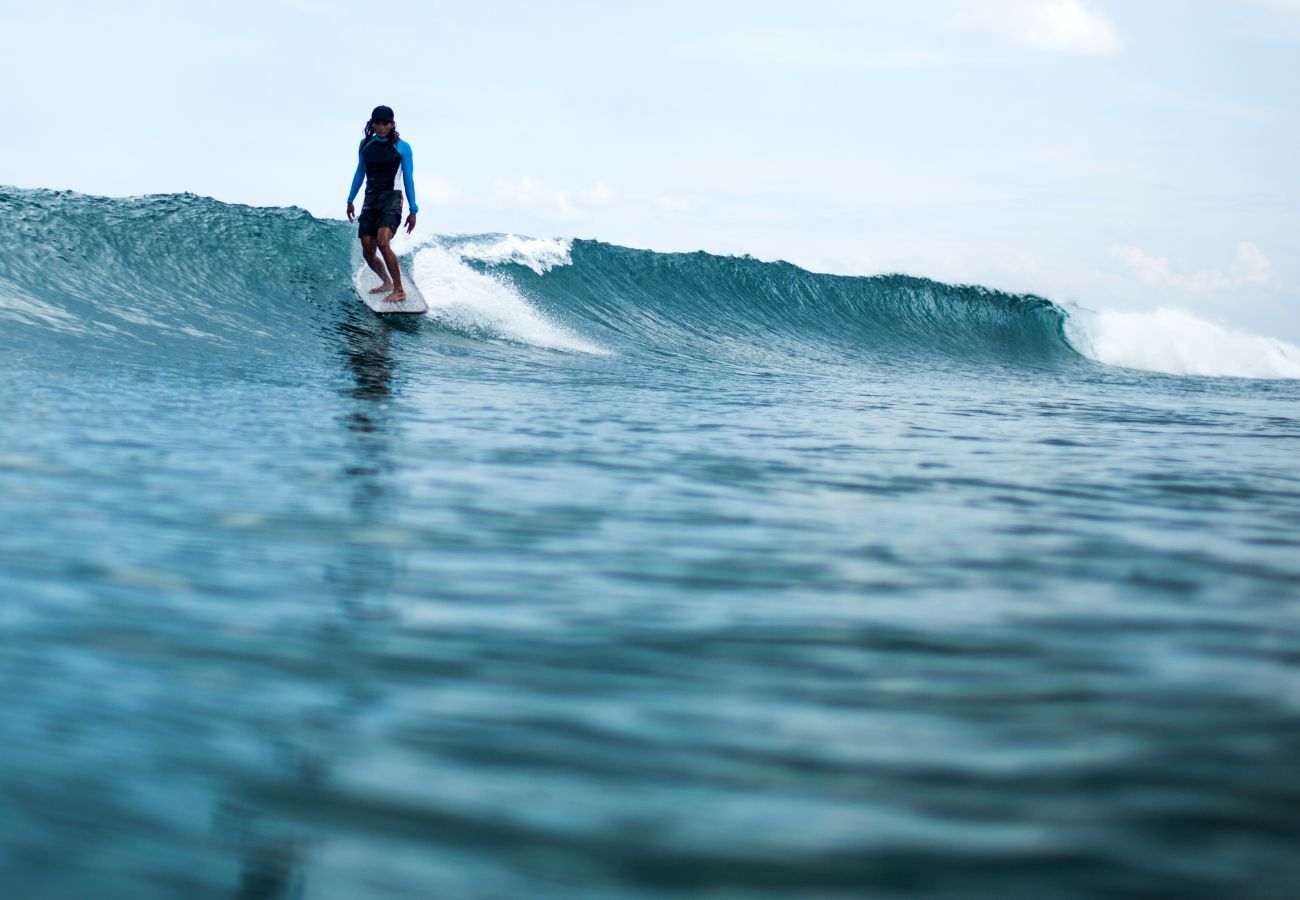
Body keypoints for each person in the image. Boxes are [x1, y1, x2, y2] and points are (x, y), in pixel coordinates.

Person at [347, 105, 418, 303]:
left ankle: (399, 290)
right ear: (372, 123)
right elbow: (360, 172)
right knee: (368, 251)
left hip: (392, 199)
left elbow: (408, 178)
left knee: (383, 242)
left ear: (392, 124)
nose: (380, 127)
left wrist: (413, 210)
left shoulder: (402, 147)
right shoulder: (365, 145)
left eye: (385, 123)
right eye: (377, 123)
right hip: (371, 200)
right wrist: (350, 199)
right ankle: (386, 281)